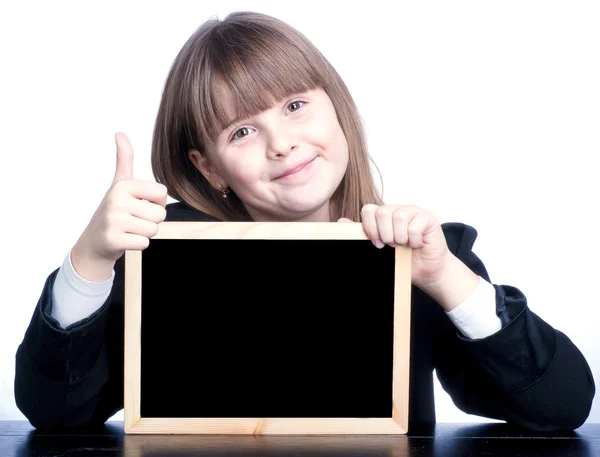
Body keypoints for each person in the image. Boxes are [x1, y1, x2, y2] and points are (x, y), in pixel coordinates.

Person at [15, 11, 594, 432]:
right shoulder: (164, 258)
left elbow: (564, 406)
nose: (282, 144)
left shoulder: (420, 256)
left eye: (294, 106)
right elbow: (56, 413)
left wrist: (448, 280)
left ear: (336, 109)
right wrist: (90, 260)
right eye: (241, 131)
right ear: (208, 167)